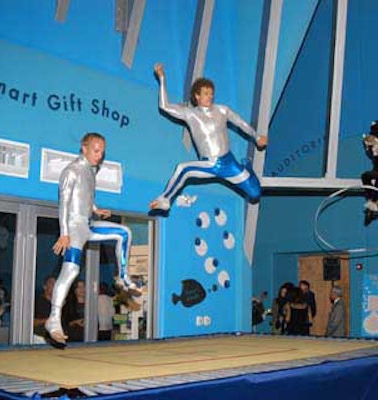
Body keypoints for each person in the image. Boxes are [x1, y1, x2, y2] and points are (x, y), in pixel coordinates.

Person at [45, 132, 132, 346]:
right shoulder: (71, 171)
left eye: (102, 151)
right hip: (73, 228)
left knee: (124, 233)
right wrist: (64, 233)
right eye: (96, 150)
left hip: (87, 224)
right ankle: (53, 319)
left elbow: (86, 196)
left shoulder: (91, 172)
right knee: (72, 270)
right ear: (84, 148)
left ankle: (122, 277)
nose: (99, 155)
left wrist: (96, 209)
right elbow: (64, 203)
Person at [150, 63, 268, 212]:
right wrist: (162, 78)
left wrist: (257, 137)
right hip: (210, 164)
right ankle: (165, 199)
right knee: (183, 168)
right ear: (197, 96)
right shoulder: (190, 114)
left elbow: (240, 123)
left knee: (255, 193)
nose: (210, 96)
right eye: (206, 93)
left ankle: (247, 167)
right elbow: (164, 106)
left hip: (229, 162)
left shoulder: (222, 110)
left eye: (211, 93)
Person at [361, 120, 378, 225]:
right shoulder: (371, 140)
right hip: (376, 170)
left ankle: (373, 202)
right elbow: (370, 153)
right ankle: (371, 201)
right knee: (366, 176)